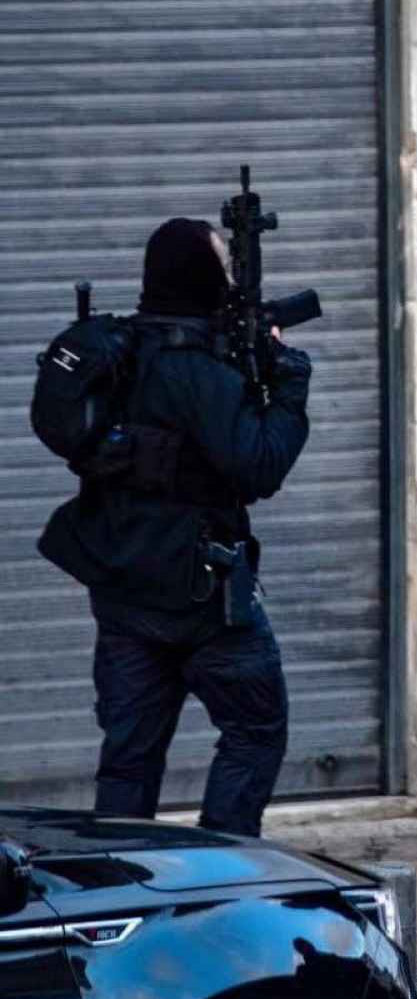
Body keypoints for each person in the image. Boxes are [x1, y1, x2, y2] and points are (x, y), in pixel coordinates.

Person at [36, 218, 314, 837]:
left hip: (122, 590)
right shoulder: (197, 371)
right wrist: (289, 385)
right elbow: (260, 466)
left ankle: (116, 875)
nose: (231, 279)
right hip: (201, 599)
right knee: (255, 730)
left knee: (128, 760)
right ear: (202, 277)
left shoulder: (121, 352)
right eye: (222, 264)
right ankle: (222, 867)